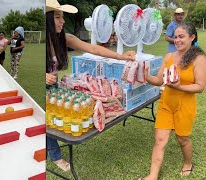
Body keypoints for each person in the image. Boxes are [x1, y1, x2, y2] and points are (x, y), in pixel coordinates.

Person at [45, 0, 136, 172]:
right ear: (47, 20)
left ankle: (51, 151)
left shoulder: (64, 38)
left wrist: (122, 57)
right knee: (47, 123)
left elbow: (93, 49)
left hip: (53, 89)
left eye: (62, 17)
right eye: (58, 17)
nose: (62, 21)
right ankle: (56, 156)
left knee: (54, 121)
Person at [140, 23, 206, 180]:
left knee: (182, 139)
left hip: (185, 106)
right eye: (175, 37)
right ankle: (153, 176)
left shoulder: (199, 59)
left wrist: (179, 86)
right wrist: (146, 76)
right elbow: (158, 80)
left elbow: (200, 87)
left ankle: (188, 163)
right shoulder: (169, 57)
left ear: (192, 37)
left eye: (181, 37)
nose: (177, 40)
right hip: (166, 104)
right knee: (159, 140)